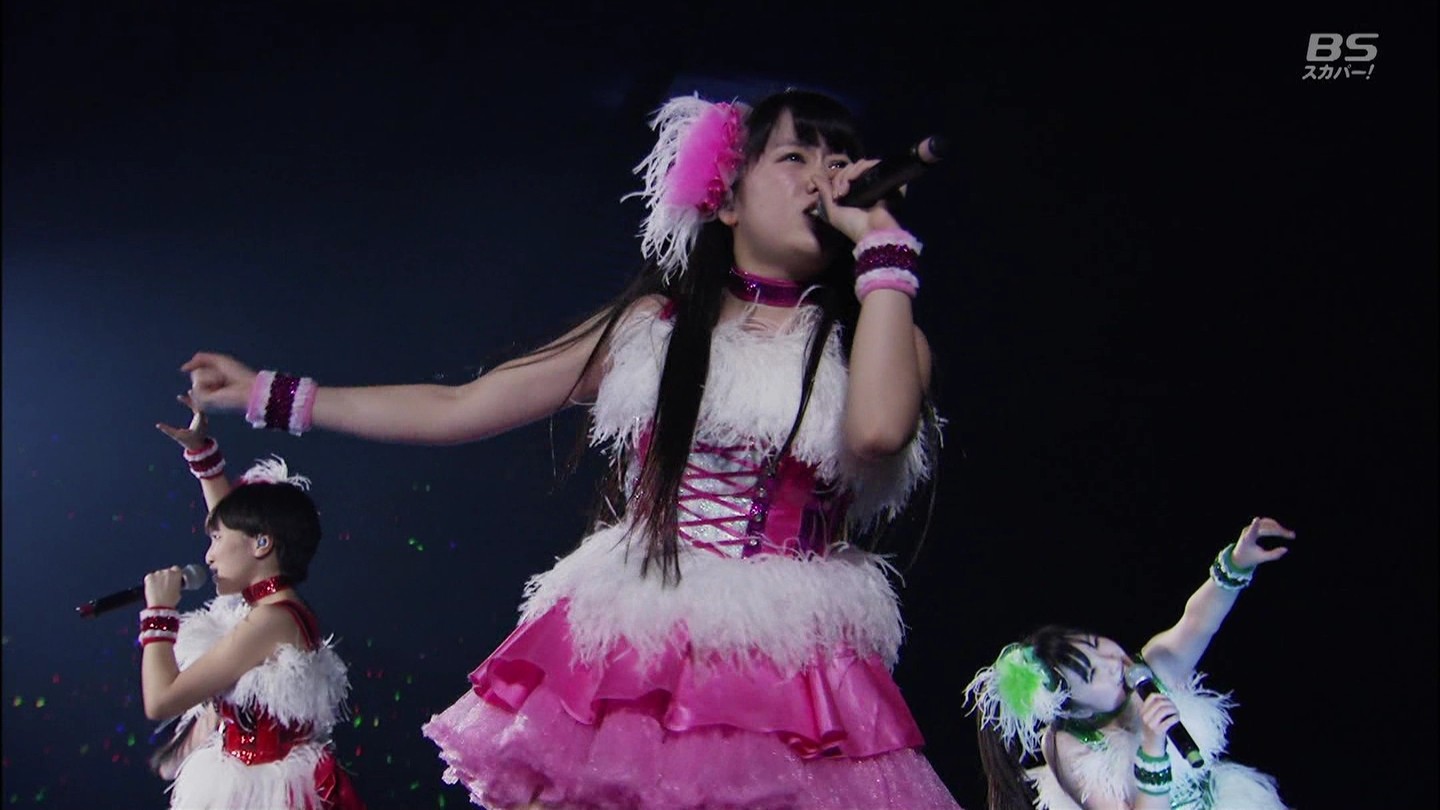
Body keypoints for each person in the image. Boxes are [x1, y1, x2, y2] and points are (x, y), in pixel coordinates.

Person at [180, 88, 959, 808]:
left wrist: (882, 248)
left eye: (838, 159)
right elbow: (464, 406)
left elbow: (877, 433)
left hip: (795, 676)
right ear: (725, 198)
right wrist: (270, 394)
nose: (824, 178)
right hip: (642, 651)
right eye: (795, 156)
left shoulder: (880, 339)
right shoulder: (655, 328)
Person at [963, 517, 1294, 810]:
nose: (1112, 661)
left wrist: (1237, 563)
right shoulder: (1066, 743)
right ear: (1073, 709)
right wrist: (1153, 747)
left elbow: (1197, 622)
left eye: (1095, 644)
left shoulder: (1150, 667)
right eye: (1092, 674)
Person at [138, 397, 366, 809]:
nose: (208, 556)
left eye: (215, 540)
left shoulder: (271, 621)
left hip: (267, 795)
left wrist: (159, 615)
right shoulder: (270, 606)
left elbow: (160, 700)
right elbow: (237, 531)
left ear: (262, 543)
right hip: (242, 785)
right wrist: (203, 457)